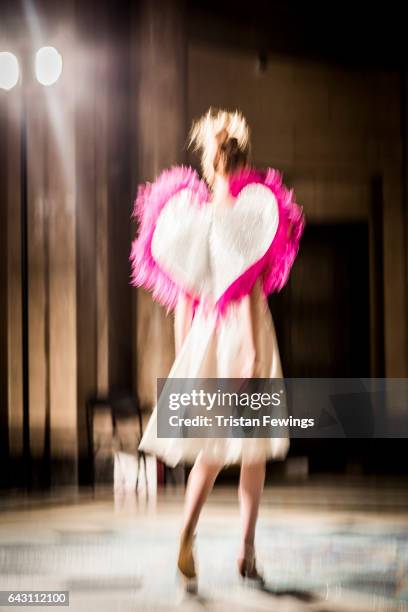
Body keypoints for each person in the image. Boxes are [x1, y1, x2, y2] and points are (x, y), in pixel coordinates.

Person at [130, 108, 304, 591]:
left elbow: (184, 298)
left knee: (208, 449)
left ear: (210, 164)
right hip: (243, 338)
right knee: (253, 453)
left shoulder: (193, 222)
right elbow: (247, 289)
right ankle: (246, 550)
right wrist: (249, 355)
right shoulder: (247, 217)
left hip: (207, 337)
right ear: (243, 162)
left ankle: (187, 530)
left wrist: (187, 354)